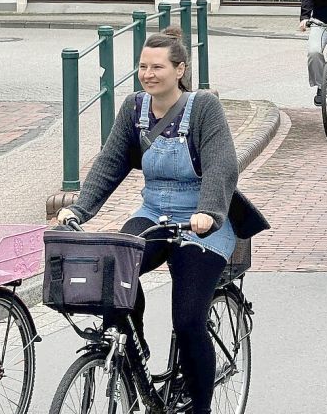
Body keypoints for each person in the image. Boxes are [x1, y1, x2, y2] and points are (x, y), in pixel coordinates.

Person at [57, 27, 268, 414]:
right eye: (142, 66)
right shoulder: (134, 108)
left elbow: (222, 166)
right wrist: (78, 208)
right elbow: (110, 163)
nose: (148, 74)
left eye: (157, 66)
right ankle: (132, 353)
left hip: (203, 223)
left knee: (188, 319)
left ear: (179, 69)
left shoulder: (203, 107)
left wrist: (209, 212)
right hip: (153, 213)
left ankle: (199, 404)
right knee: (113, 271)